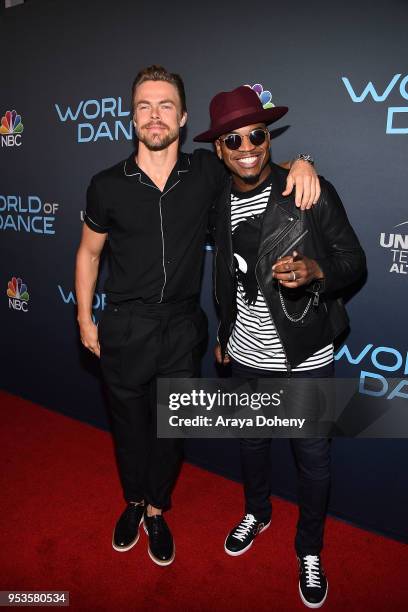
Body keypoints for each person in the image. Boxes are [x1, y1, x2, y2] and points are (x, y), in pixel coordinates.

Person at [75, 66, 320, 567]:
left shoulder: (207, 171)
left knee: (170, 429)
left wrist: (303, 161)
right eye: (144, 106)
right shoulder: (105, 185)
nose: (154, 115)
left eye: (165, 105)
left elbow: (256, 163)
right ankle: (134, 502)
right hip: (123, 325)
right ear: (132, 118)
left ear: (183, 118)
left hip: (183, 327)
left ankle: (158, 510)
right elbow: (89, 255)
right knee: (128, 428)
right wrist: (84, 318)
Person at [194, 85, 366, 606]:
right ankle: (258, 511)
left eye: (257, 134)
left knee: (313, 459)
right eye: (233, 139)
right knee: (251, 443)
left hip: (304, 357)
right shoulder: (217, 200)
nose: (247, 146)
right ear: (219, 150)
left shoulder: (307, 191)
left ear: (269, 138)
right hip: (246, 356)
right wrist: (225, 332)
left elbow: (354, 262)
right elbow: (226, 273)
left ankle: (309, 549)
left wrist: (317, 270)